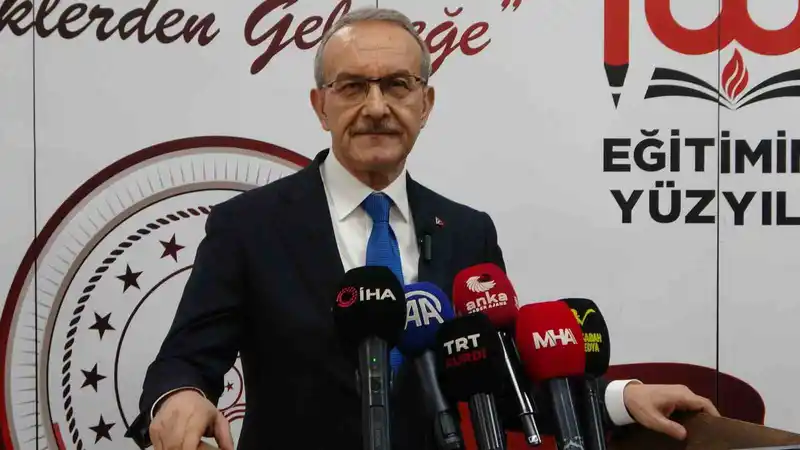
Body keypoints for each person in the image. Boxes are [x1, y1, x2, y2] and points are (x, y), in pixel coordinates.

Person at [130, 6, 720, 450]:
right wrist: (179, 397)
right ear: (320, 106)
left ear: (426, 104)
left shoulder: (467, 231)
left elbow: (505, 383)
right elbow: (184, 360)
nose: (376, 107)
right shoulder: (249, 226)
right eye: (352, 87)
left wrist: (622, 396)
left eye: (397, 85)